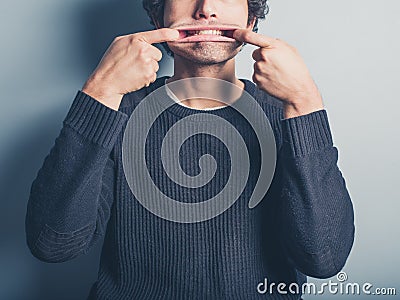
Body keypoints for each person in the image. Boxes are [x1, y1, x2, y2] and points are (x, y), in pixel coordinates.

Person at [25, 0, 355, 299]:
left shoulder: (289, 116)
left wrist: (305, 103)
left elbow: (323, 258)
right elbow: (53, 245)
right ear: (157, 15)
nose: (206, 8)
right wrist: (101, 90)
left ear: (251, 18)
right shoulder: (114, 112)